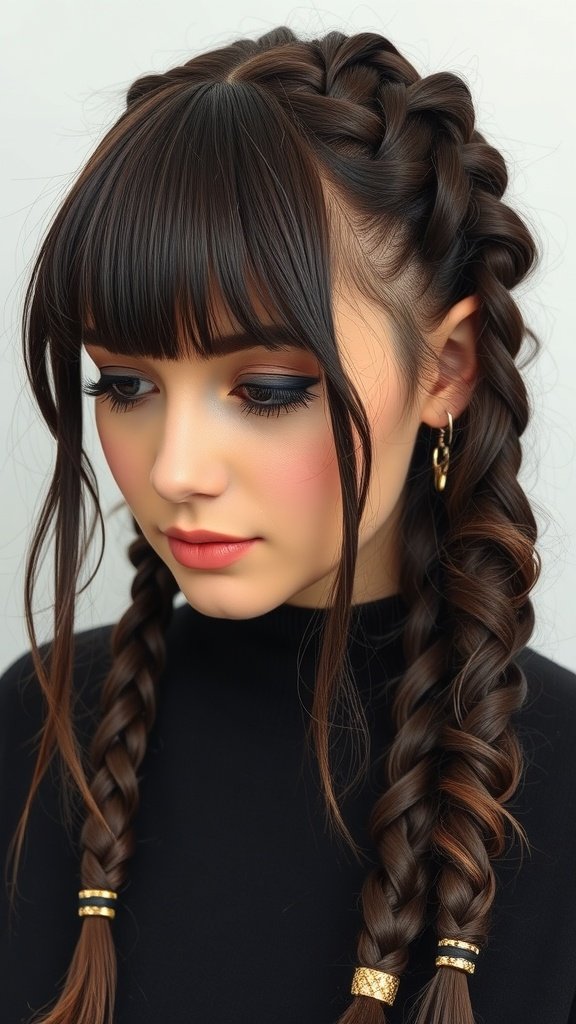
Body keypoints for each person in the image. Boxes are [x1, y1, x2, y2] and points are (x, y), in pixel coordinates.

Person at [1, 23, 575, 1024]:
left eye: (265, 390)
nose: (174, 469)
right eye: (124, 382)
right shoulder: (34, 735)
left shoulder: (563, 787)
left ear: (448, 369)